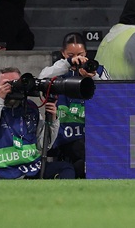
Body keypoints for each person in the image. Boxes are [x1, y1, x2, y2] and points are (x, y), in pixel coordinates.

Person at [0, 66, 72, 179]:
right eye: (6, 83)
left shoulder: (30, 106)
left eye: (16, 83)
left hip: (32, 167)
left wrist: (53, 119)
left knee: (66, 168)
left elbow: (43, 145)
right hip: (0, 170)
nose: (11, 87)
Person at [38, 32, 108, 178]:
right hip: (63, 138)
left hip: (91, 136)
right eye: (71, 55)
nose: (77, 59)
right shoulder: (58, 71)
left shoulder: (98, 70)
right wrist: (68, 63)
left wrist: (93, 77)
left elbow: (111, 95)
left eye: (80, 54)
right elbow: (41, 79)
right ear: (63, 53)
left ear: (86, 53)